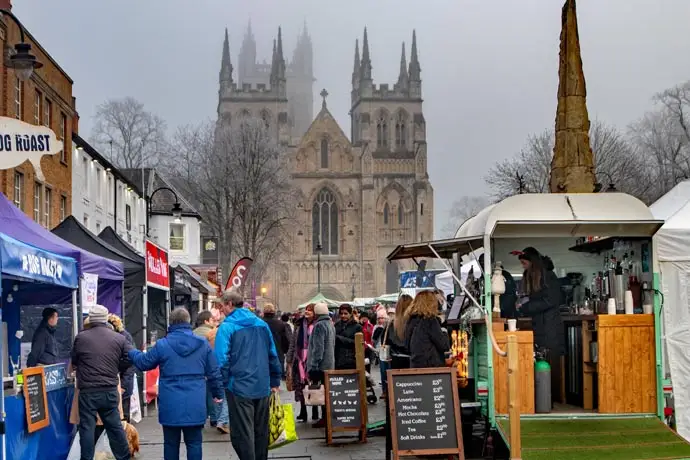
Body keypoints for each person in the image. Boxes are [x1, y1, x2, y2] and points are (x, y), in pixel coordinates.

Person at [129, 307, 223, 460]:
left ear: (170, 323)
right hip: (195, 401)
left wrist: (131, 350)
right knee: (194, 443)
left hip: (170, 402)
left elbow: (143, 363)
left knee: (171, 444)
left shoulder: (162, 344)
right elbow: (214, 372)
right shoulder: (202, 343)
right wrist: (218, 394)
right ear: (188, 322)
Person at [215, 290, 282, 460]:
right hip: (262, 385)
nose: (221, 309)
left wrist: (220, 385)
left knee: (241, 434)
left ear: (230, 304)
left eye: (222, 305)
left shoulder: (227, 327)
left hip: (238, 387)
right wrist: (274, 380)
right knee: (261, 431)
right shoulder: (261, 324)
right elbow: (272, 354)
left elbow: (221, 360)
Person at [71, 305, 132, 460]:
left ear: (91, 319)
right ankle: (124, 457)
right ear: (105, 319)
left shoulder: (81, 338)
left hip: (88, 391)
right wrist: (117, 368)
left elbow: (75, 361)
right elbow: (130, 359)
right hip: (109, 389)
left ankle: (86, 458)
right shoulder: (119, 338)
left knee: (87, 429)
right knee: (115, 427)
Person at [515, 246, 565, 404]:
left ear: (532, 263)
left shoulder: (547, 276)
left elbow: (550, 300)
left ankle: (548, 398)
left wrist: (525, 307)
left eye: (524, 263)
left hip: (548, 326)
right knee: (545, 361)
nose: (523, 267)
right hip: (543, 325)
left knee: (548, 360)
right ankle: (546, 399)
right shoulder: (541, 276)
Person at [306, 301, 336, 429]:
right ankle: (328, 417)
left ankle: (324, 418)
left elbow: (318, 349)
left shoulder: (319, 326)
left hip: (320, 366)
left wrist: (313, 365)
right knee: (327, 392)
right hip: (329, 364)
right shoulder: (330, 324)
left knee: (321, 393)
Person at [404, 291, 450, 368]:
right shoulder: (430, 320)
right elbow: (444, 345)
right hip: (431, 367)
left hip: (415, 366)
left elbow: (407, 346)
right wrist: (443, 329)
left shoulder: (411, 320)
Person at [286, 303, 316, 423]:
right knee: (301, 386)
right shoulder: (298, 325)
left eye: (310, 310)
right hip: (299, 360)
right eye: (306, 310)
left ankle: (315, 410)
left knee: (314, 386)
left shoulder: (318, 325)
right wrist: (289, 359)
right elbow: (293, 343)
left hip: (312, 360)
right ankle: (303, 411)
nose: (307, 312)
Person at [107, 314, 136, 423]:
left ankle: (126, 438)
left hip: (123, 381)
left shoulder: (123, 337)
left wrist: (123, 385)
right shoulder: (120, 336)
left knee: (123, 413)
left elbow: (131, 362)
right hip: (116, 380)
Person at [479, 253, 518, 319]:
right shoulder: (484, 277)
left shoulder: (504, 275)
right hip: (496, 310)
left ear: (491, 262)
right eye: (481, 263)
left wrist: (497, 310)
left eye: (483, 262)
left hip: (504, 312)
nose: (482, 265)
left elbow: (511, 295)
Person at [262, 303, 292, 380]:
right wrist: (285, 350)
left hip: (263, 351)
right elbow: (285, 339)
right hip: (278, 351)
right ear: (274, 312)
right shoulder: (280, 324)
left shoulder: (259, 323)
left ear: (264, 312)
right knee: (277, 373)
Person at [334, 304, 362, 370]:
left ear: (350, 314)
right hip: (337, 360)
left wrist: (340, 338)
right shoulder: (336, 325)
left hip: (350, 360)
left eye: (345, 313)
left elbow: (358, 343)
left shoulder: (357, 326)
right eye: (341, 313)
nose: (343, 315)